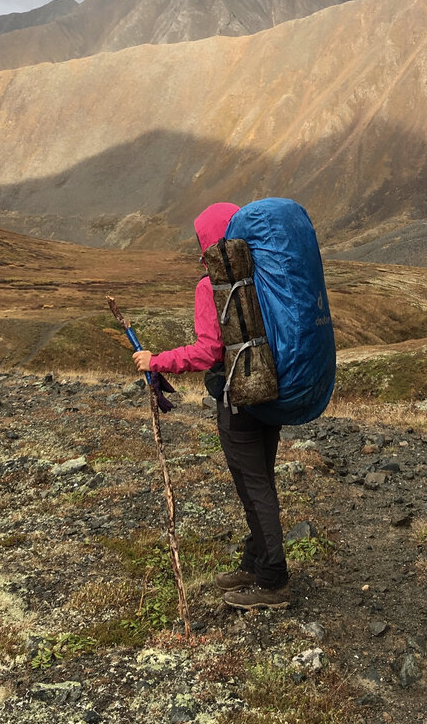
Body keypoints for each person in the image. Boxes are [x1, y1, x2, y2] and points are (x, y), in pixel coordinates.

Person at [132, 201, 290, 609]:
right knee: (260, 482)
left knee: (253, 486)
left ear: (208, 241)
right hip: (269, 393)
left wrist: (156, 361)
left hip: (236, 401)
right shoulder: (265, 274)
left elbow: (207, 352)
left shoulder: (213, 286)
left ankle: (273, 582)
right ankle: (256, 562)